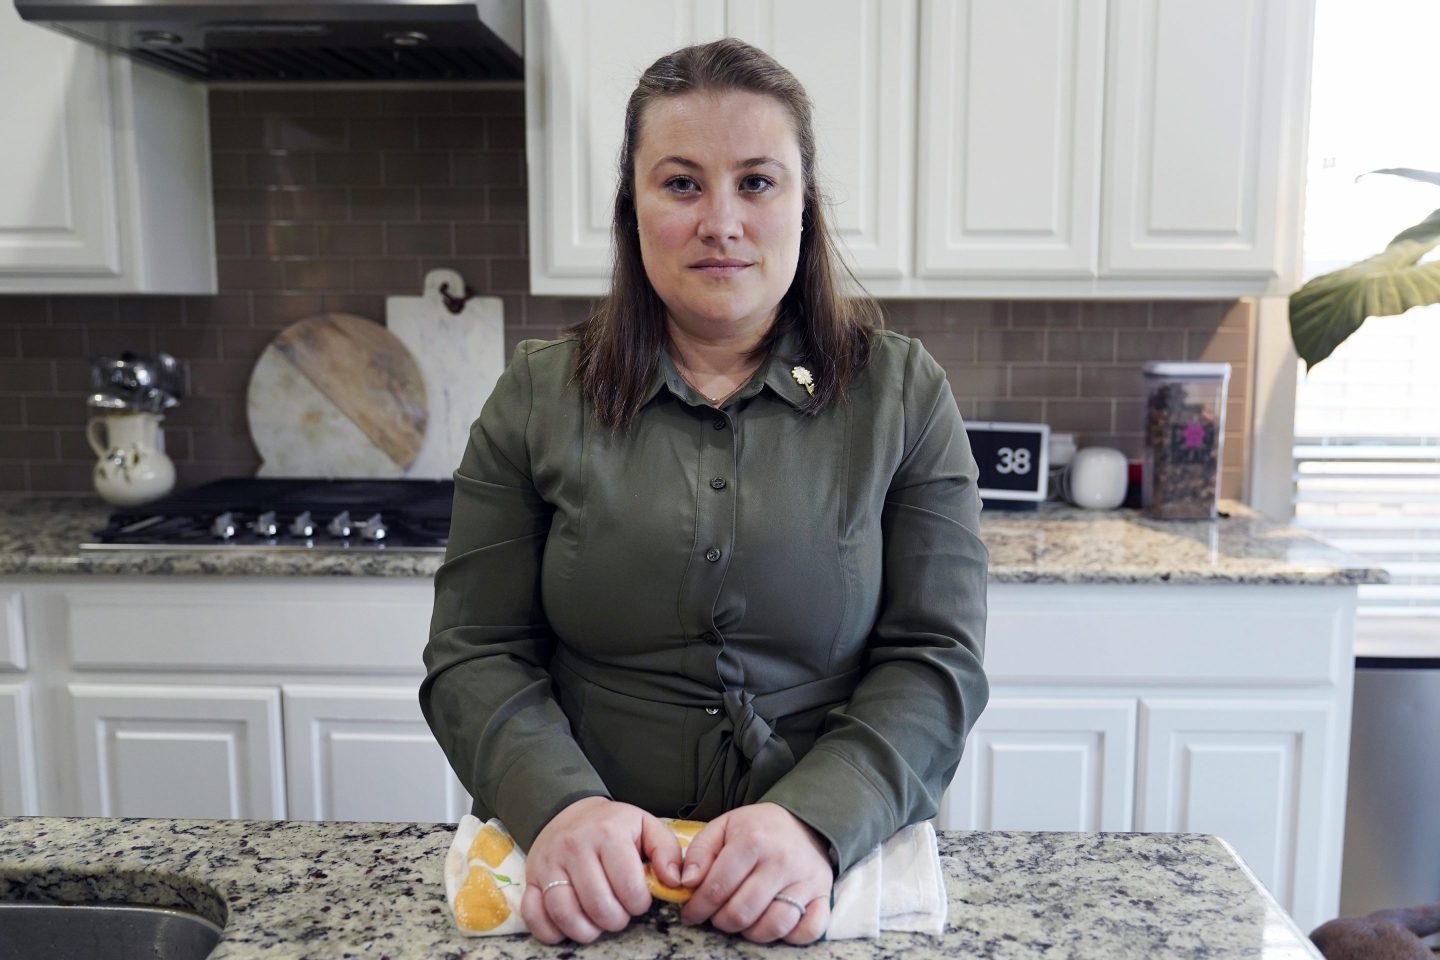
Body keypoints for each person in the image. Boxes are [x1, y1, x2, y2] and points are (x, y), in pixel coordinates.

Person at [420, 38, 989, 947]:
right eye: (682, 184)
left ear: (805, 206)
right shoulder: (534, 395)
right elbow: (474, 653)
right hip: (588, 879)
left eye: (757, 183)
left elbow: (936, 661)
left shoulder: (905, 395)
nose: (721, 221)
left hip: (824, 873)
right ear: (632, 209)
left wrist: (814, 821)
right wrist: (562, 810)